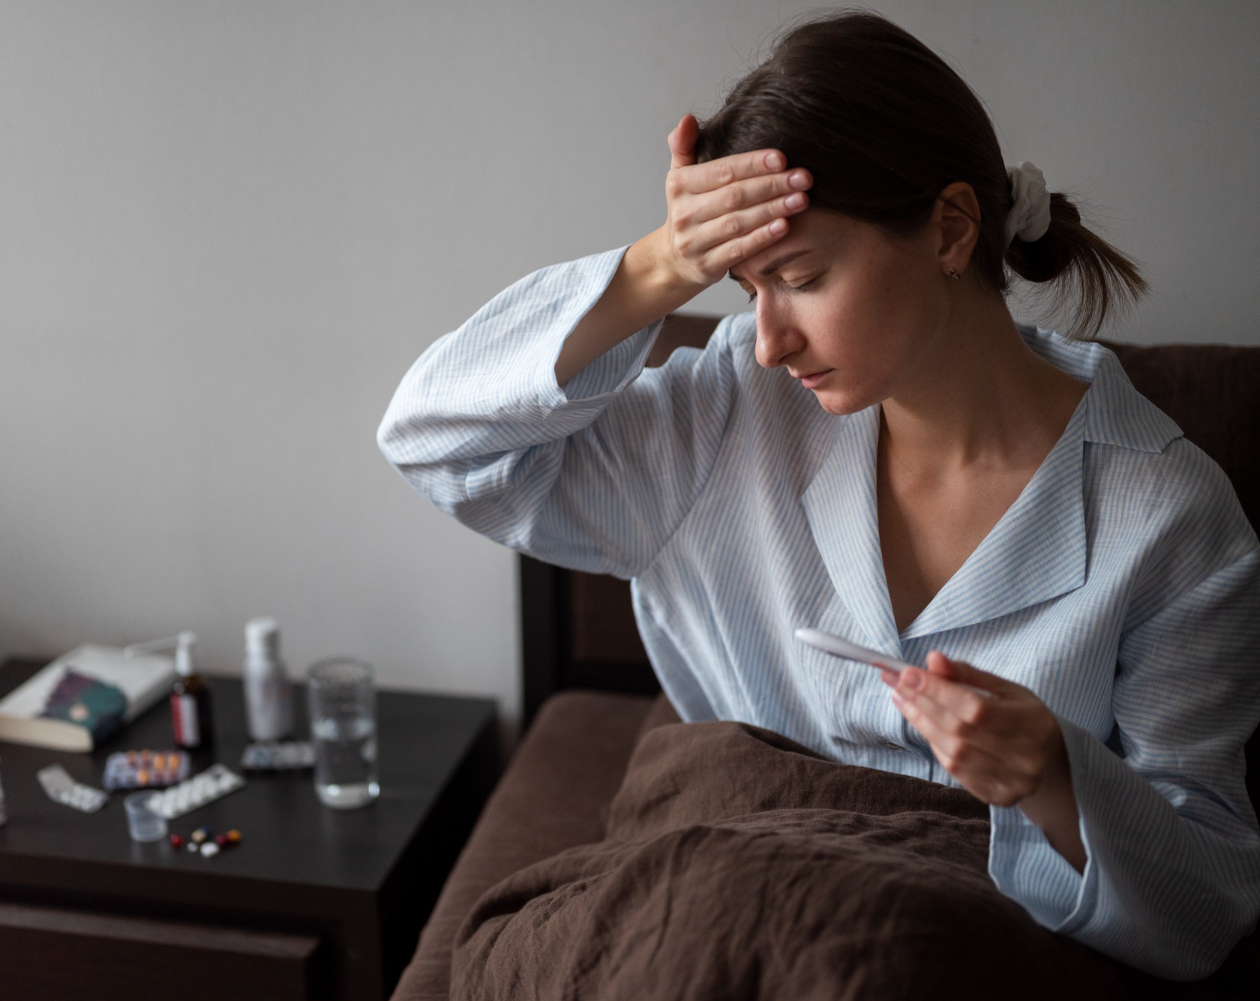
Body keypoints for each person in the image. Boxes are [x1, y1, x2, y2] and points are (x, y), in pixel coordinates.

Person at [377, 10, 1259, 981]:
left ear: (952, 229)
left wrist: (1053, 775)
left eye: (799, 277)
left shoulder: (1172, 518)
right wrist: (658, 268)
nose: (767, 339)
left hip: (948, 942)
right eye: (744, 286)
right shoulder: (728, 413)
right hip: (715, 895)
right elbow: (435, 442)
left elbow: (1206, 910)